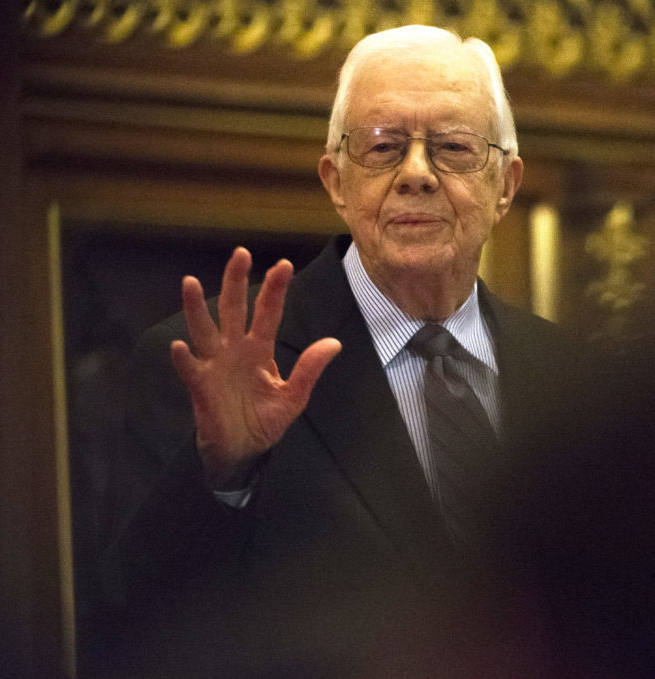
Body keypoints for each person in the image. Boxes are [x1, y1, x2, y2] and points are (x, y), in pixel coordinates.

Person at [98, 25, 609, 677]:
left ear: (505, 185)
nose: (416, 174)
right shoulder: (208, 363)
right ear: (336, 180)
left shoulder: (576, 382)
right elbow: (131, 634)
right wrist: (223, 476)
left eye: (452, 147)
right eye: (382, 146)